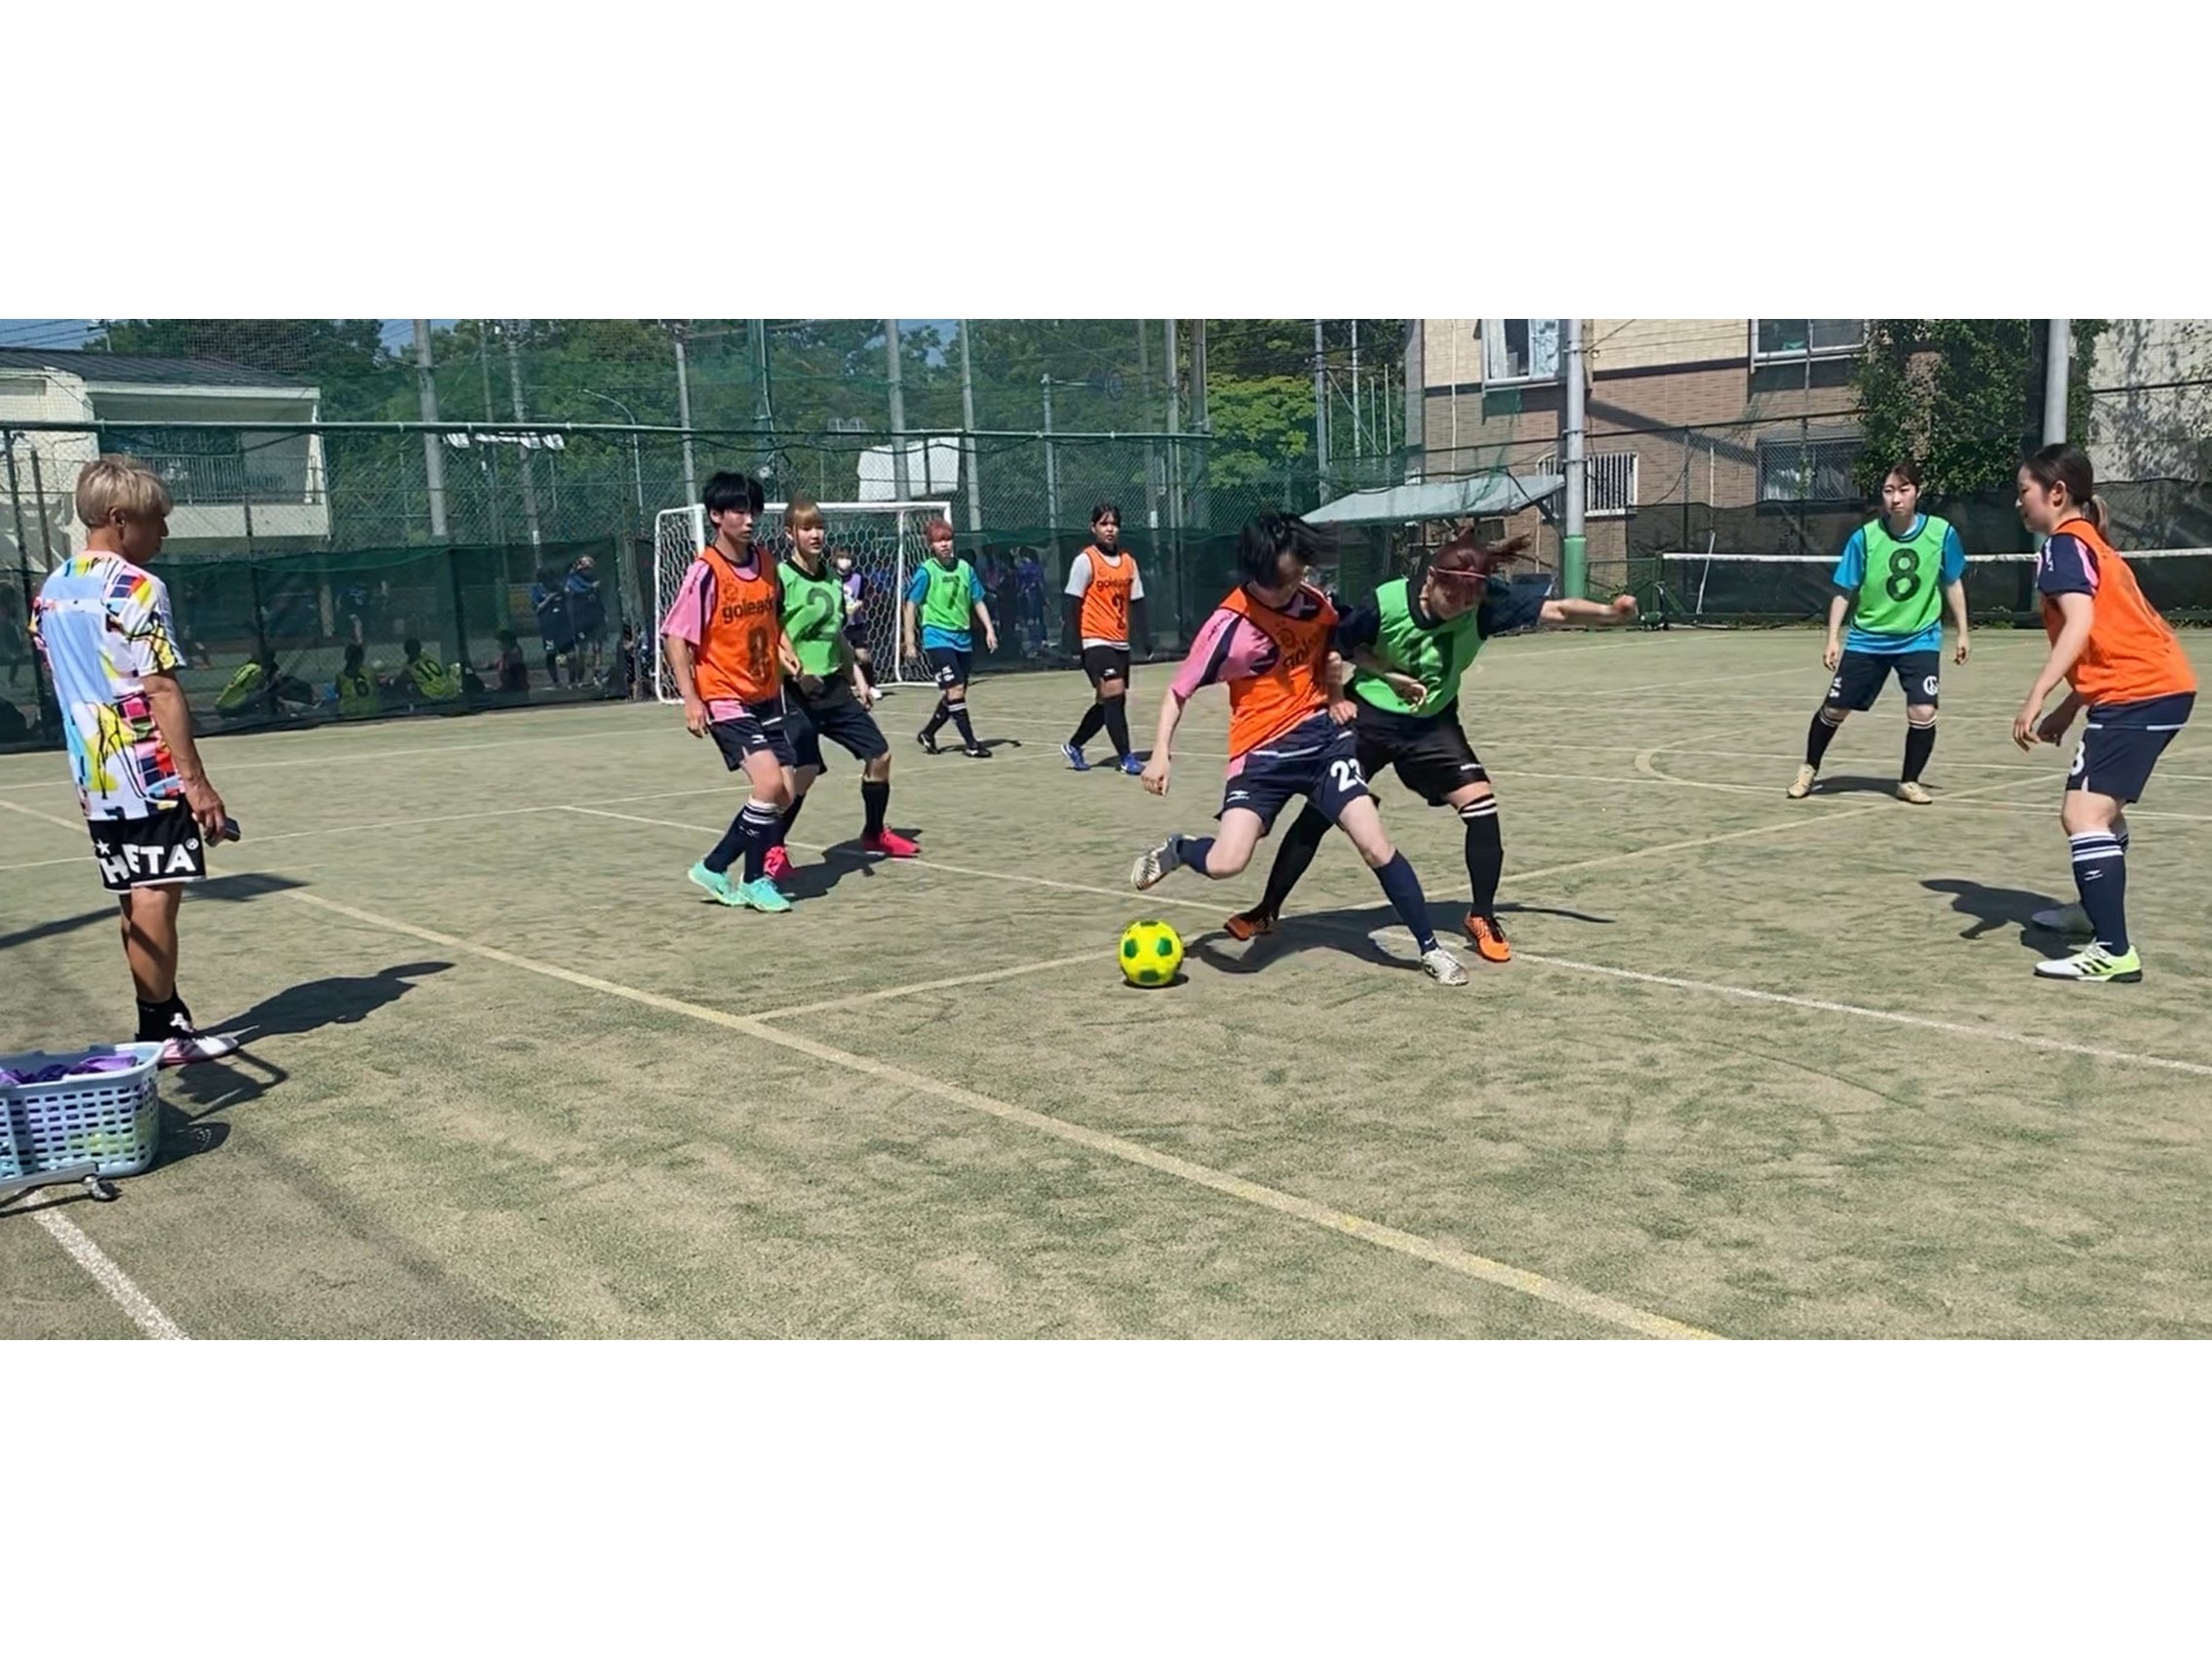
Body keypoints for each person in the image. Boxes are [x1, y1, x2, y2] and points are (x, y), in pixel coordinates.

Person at [1226, 531, 1639, 963]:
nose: (1459, 607)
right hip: (1369, 716)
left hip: (1432, 726)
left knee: (1482, 808)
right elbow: (1342, 648)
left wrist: (1610, 612)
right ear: (1430, 579)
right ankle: (1267, 909)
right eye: (1452, 597)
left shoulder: (1482, 603)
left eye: (1468, 600)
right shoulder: (1384, 603)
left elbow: (1555, 609)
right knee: (1320, 814)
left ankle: (1481, 915)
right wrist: (1386, 676)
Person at [1128, 512, 1468, 986]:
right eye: (1285, 581)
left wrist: (1387, 675)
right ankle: (1180, 850)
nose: (1295, 588)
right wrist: (1161, 752)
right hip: (1261, 756)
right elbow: (1177, 691)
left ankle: (1429, 948)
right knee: (1228, 862)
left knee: (1375, 844)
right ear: (1256, 574)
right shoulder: (1229, 624)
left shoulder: (1313, 604)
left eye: (1299, 575)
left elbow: (1345, 647)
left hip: (1324, 745)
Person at [28, 455, 238, 1066]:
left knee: (132, 895)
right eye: (156, 521)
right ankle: (161, 1030)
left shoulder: (54, 587)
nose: (163, 534)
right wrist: (196, 784)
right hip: (145, 769)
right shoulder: (139, 588)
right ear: (119, 519)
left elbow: (59, 671)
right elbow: (162, 689)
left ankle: (160, 1019)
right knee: (154, 895)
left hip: (92, 770)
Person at [2009, 443, 2196, 983]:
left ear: (2057, 493)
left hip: (2139, 693)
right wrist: (2072, 704)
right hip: (2157, 686)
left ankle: (2113, 951)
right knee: (2103, 812)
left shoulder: (2063, 546)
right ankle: (2095, 913)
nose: (2020, 504)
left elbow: (2081, 625)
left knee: (2083, 815)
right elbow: (2109, 639)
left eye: (2025, 492)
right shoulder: (2092, 542)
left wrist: (2039, 692)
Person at [1789, 460, 1970, 804]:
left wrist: (1963, 631)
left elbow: (1953, 582)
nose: (1896, 498)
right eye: (1889, 491)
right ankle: (1809, 767)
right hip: (1867, 639)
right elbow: (1844, 590)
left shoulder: (1941, 533)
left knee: (1923, 711)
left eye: (1903, 490)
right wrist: (1832, 638)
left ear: (1918, 491)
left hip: (1920, 638)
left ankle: (1909, 781)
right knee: (1835, 709)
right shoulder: (1865, 537)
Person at [659, 470, 798, 914]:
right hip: (723, 694)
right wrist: (691, 698)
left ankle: (734, 873)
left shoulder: (765, 560)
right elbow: (676, 637)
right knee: (769, 781)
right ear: (717, 516)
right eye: (738, 510)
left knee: (783, 794)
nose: (749, 518)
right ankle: (736, 873)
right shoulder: (705, 572)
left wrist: (784, 648)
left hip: (766, 691)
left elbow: (770, 619)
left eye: (752, 509)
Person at [772, 498, 919, 876]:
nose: (815, 533)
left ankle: (873, 832)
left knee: (880, 756)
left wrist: (860, 681)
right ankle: (773, 847)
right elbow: (769, 634)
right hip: (792, 690)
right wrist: (795, 670)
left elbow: (837, 635)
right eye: (806, 527)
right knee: (802, 774)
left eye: (819, 526)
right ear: (790, 533)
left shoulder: (833, 580)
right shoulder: (780, 578)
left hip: (833, 687)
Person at [1060, 501, 1148, 775]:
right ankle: (1126, 758)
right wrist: (1074, 642)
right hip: (1094, 640)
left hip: (1120, 641)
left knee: (1108, 700)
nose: (1110, 529)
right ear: (1094, 527)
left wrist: (1145, 637)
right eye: (1104, 524)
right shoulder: (1086, 560)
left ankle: (1074, 744)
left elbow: (1137, 602)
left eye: (1114, 524)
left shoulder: (1128, 562)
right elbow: (1072, 602)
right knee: (1114, 691)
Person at [902, 518, 999, 758]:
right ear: (930, 545)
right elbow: (911, 605)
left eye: (948, 539)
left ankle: (928, 732)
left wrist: (989, 629)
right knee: (955, 690)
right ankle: (971, 744)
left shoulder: (965, 568)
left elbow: (977, 599)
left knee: (956, 693)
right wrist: (910, 641)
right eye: (939, 541)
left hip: (962, 638)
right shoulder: (927, 571)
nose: (945, 545)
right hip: (937, 638)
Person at [833, 546, 878, 692]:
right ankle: (846, 688)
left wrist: (857, 605)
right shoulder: (831, 578)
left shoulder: (859, 579)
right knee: (841, 658)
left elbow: (864, 597)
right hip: (838, 624)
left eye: (847, 558)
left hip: (855, 623)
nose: (845, 562)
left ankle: (871, 685)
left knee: (863, 655)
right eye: (841, 558)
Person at [530, 564, 573, 687]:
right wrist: (550, 598)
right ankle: (556, 681)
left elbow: (568, 601)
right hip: (548, 626)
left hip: (563, 626)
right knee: (551, 653)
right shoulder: (536, 590)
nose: (547, 580)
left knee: (569, 653)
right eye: (543, 577)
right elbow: (538, 608)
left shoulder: (558, 587)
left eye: (549, 577)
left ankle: (572, 681)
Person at [565, 555, 607, 680]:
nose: (587, 571)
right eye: (585, 568)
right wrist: (591, 587)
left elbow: (599, 599)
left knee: (597, 646)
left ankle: (597, 672)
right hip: (581, 619)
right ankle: (580, 676)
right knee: (582, 648)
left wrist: (603, 614)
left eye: (589, 568)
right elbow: (578, 590)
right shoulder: (573, 580)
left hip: (595, 616)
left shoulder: (594, 579)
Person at [400, 638, 462, 705]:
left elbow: (403, 680)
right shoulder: (429, 658)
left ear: (406, 651)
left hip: (431, 693)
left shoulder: (409, 668)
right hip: (448, 689)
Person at [335, 642, 381, 718]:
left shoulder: (340, 676)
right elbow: (376, 688)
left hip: (348, 713)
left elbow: (339, 693)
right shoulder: (370, 673)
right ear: (361, 657)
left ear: (346, 658)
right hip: (370, 712)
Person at [484, 628, 529, 694]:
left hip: (515, 691)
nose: (498, 646)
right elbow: (495, 663)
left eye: (500, 643)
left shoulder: (515, 660)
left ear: (507, 642)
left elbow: (518, 680)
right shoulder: (505, 655)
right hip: (508, 688)